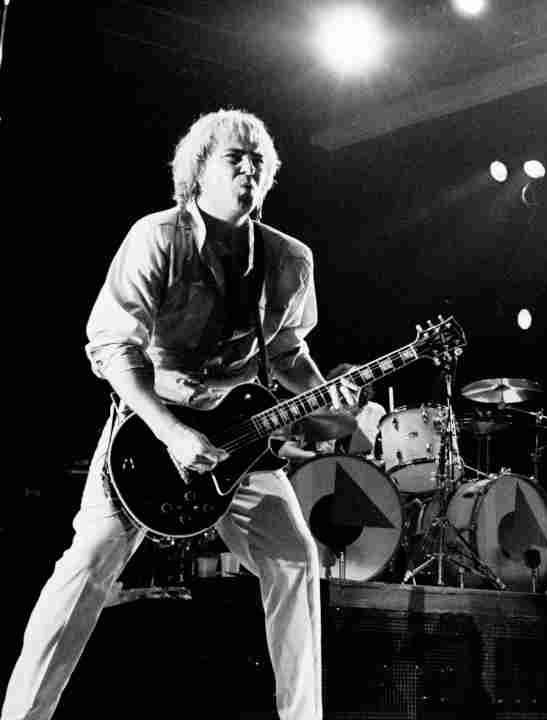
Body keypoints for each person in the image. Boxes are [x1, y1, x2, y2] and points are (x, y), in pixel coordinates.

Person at [2, 109, 353, 720]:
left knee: (296, 558)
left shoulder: (291, 260)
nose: (250, 170)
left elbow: (289, 351)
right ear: (197, 171)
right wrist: (170, 432)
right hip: (149, 428)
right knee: (88, 563)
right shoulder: (157, 238)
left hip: (238, 437)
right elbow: (113, 346)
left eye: (259, 162)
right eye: (234, 158)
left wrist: (326, 396)